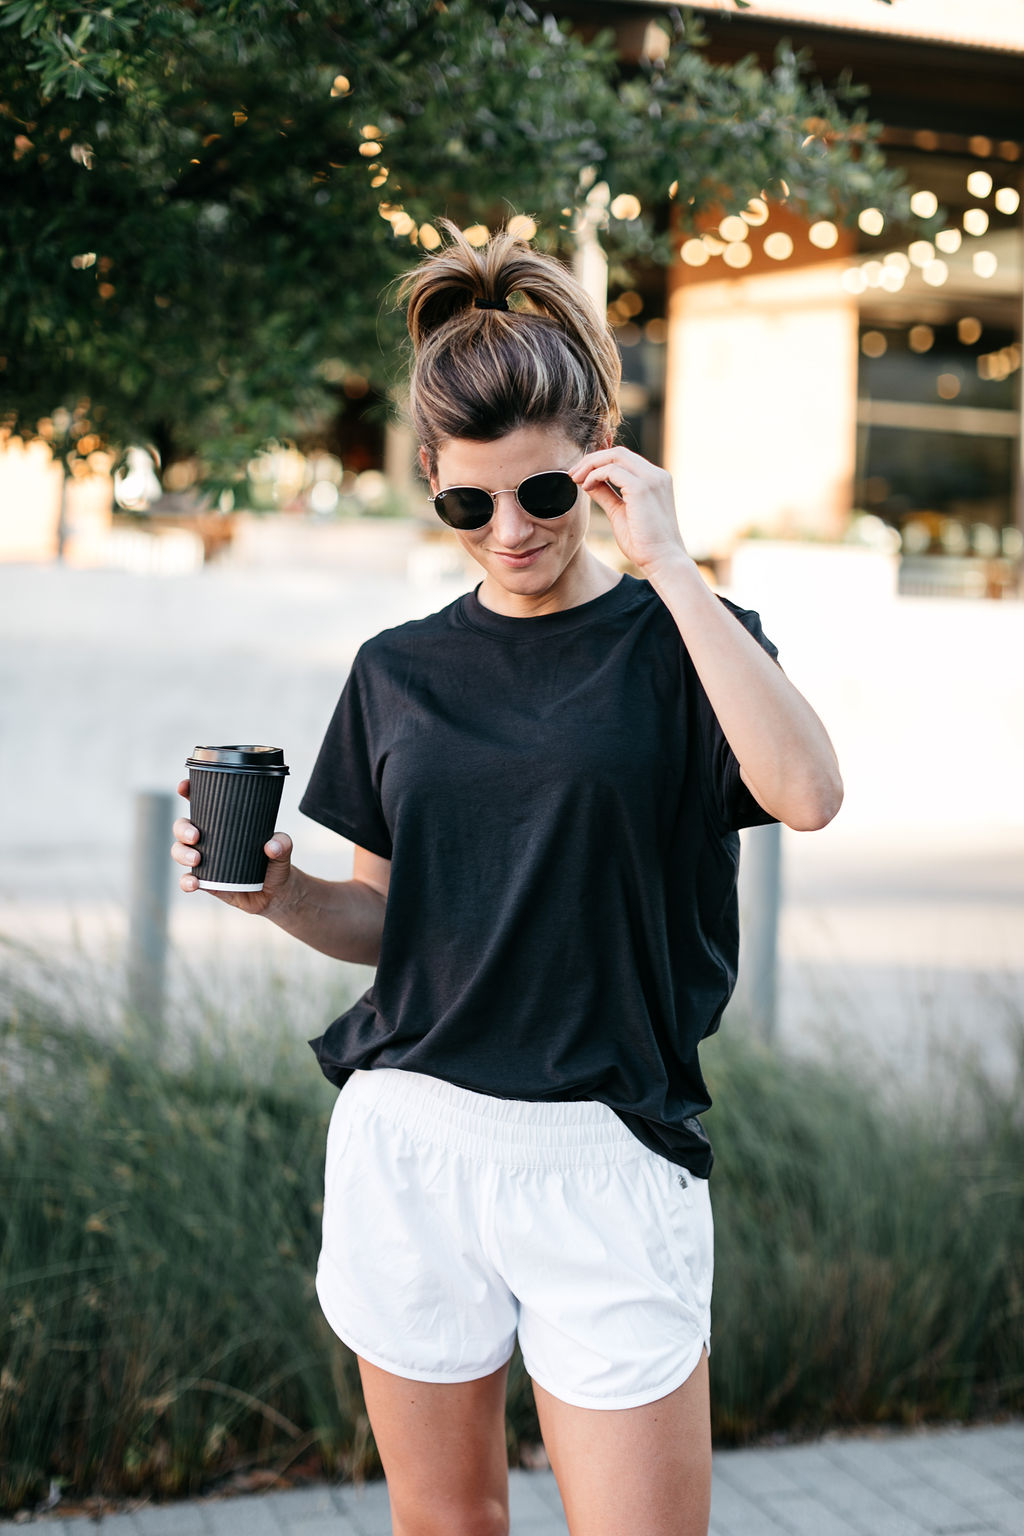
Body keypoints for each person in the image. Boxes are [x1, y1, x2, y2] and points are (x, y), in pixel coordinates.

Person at [171, 220, 843, 1536]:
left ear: (597, 461)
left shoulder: (680, 640)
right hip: (412, 1143)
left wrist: (670, 562)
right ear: (431, 481)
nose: (509, 531)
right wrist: (278, 895)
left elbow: (808, 795)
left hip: (610, 1148)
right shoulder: (399, 670)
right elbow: (388, 920)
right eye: (467, 503)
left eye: (541, 495)